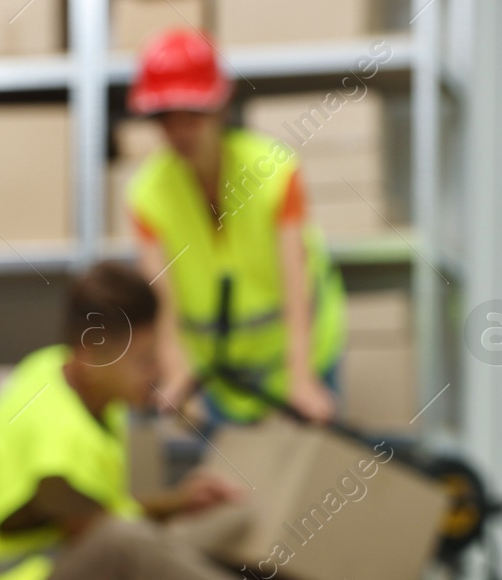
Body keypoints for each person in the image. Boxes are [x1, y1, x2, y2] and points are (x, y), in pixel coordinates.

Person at [0, 262, 454, 580]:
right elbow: (106, 536)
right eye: (143, 362)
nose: (157, 374)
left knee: (220, 520)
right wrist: (167, 514)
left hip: (58, 574)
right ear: (91, 356)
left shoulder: (67, 380)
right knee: (136, 549)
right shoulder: (46, 427)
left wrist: (180, 504)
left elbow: (93, 516)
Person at [126, 29, 347, 425]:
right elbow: (163, 306)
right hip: (218, 375)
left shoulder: (275, 171)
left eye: (191, 113)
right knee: (229, 481)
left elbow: (296, 287)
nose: (179, 130)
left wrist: (301, 377)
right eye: (164, 117)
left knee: (306, 477)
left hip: (298, 354)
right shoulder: (147, 194)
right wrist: (178, 376)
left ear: (220, 108)